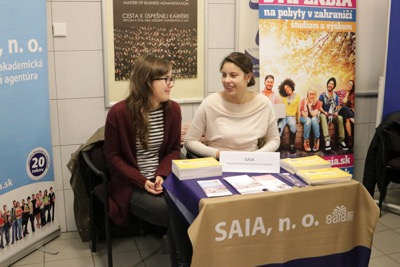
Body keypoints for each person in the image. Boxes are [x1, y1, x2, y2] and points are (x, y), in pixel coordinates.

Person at [105, 54, 191, 266]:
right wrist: (142, 180)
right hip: (131, 184)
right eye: (165, 79)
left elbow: (173, 149)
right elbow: (113, 157)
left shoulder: (173, 110)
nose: (170, 85)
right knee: (171, 212)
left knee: (188, 205)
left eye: (172, 79)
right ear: (147, 81)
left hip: (163, 178)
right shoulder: (119, 113)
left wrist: (161, 174)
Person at [184, 52, 280, 158]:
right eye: (224, 75)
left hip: (252, 163)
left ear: (247, 77)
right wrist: (219, 154)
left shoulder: (264, 104)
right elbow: (190, 141)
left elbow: (274, 140)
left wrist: (255, 156)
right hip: (217, 163)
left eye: (233, 75)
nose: (226, 80)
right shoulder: (210, 103)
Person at [319, 77, 348, 151]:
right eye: (329, 83)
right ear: (327, 84)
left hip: (332, 115)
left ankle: (341, 141)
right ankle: (327, 140)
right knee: (322, 116)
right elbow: (319, 107)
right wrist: (324, 112)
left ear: (333, 86)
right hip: (325, 114)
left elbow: (337, 107)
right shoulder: (322, 95)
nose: (330, 85)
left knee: (340, 118)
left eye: (332, 84)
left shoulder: (336, 97)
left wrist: (336, 112)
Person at [277, 78, 300, 154]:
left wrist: (298, 119)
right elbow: (280, 108)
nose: (287, 89)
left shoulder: (297, 96)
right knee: (279, 127)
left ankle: (292, 145)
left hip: (291, 116)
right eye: (285, 89)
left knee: (293, 125)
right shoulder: (283, 98)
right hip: (283, 116)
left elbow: (298, 108)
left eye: (288, 87)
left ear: (291, 86)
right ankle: (277, 146)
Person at [336, 79, 355, 147]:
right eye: (349, 84)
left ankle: (350, 138)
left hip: (346, 114)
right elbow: (332, 93)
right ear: (347, 84)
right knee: (344, 107)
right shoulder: (342, 91)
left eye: (351, 85)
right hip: (340, 110)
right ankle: (354, 121)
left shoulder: (352, 95)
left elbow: (353, 106)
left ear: (352, 87)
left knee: (347, 118)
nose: (349, 85)